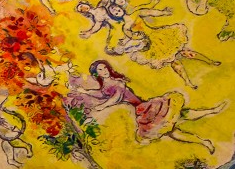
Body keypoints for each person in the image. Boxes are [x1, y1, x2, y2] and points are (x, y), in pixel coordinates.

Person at [72, 60, 224, 151]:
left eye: (105, 67)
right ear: (96, 74)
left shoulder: (117, 82)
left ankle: (212, 112)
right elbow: (101, 93)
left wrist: (103, 106)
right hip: (140, 114)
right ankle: (204, 141)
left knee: (179, 118)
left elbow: (116, 97)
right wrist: (85, 91)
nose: (104, 70)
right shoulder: (106, 85)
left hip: (145, 108)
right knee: (172, 130)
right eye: (100, 70)